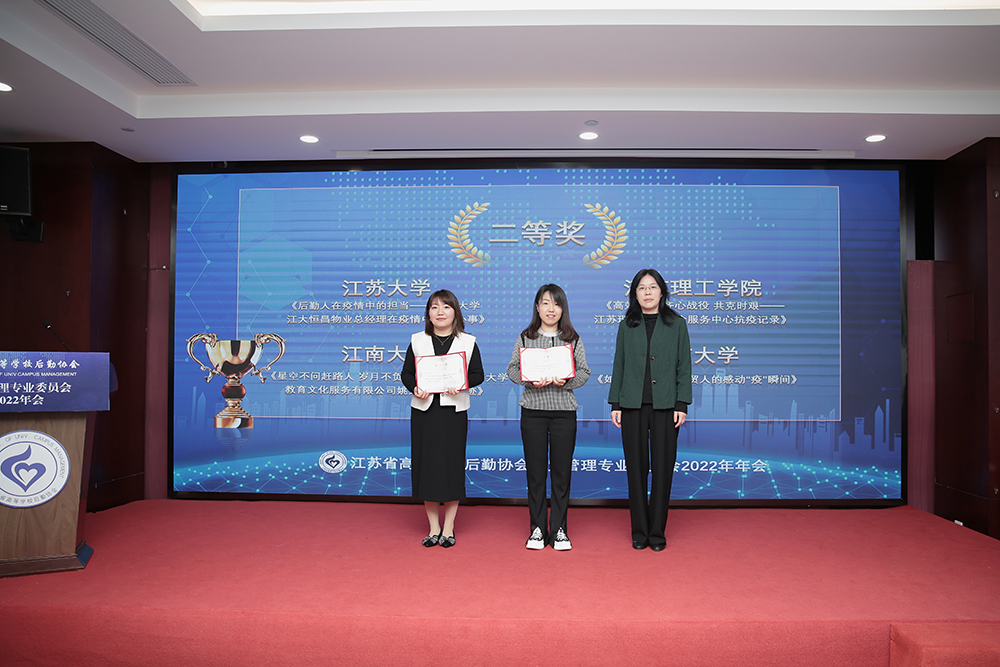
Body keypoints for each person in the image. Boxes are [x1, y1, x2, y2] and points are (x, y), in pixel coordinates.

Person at [608, 269, 692, 551]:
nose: (647, 292)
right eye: (641, 288)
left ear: (662, 292)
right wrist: (616, 403)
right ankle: (639, 531)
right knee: (636, 470)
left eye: (652, 287)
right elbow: (619, 364)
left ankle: (657, 532)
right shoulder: (627, 325)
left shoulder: (676, 324)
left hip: (666, 406)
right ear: (635, 294)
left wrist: (682, 404)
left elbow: (684, 366)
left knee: (663, 469)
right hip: (631, 405)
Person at [506, 284, 591, 551]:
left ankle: (560, 529)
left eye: (556, 303)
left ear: (563, 308)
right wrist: (530, 379)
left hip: (564, 412)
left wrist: (566, 381)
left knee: (561, 473)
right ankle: (537, 529)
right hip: (533, 411)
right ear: (537, 307)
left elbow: (584, 372)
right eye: (545, 303)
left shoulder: (572, 339)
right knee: (536, 473)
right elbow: (512, 369)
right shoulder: (526, 337)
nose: (550, 309)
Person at [401, 289, 484, 548]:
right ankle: (433, 527)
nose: (440, 312)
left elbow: (478, 374)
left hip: (453, 414)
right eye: (434, 307)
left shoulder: (468, 342)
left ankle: (449, 527)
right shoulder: (418, 341)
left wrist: (461, 384)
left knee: (451, 467)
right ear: (428, 313)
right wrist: (415, 387)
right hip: (424, 412)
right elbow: (406, 374)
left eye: (446, 307)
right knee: (426, 467)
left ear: (455, 312)